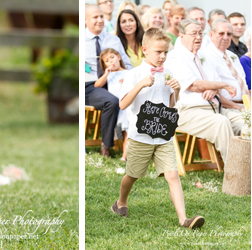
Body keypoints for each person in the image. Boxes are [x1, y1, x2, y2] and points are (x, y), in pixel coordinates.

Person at [112, 27, 204, 229]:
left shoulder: (168, 74)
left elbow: (169, 106)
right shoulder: (134, 75)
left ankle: (184, 220)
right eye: (158, 52)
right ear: (145, 49)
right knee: (133, 175)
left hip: (163, 135)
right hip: (140, 135)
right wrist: (140, 85)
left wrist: (176, 92)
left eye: (165, 52)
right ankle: (120, 203)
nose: (163, 56)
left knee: (172, 175)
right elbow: (123, 104)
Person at [166, 19, 242, 167]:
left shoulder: (203, 56)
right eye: (194, 33)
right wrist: (222, 85)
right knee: (222, 123)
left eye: (201, 33)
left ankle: (247, 169)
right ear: (181, 36)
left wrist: (214, 88)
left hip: (215, 109)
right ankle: (235, 175)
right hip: (188, 112)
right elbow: (194, 85)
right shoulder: (175, 58)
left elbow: (214, 83)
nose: (199, 37)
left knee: (246, 122)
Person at [85, 4, 132, 157]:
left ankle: (135, 143)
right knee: (111, 101)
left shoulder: (113, 40)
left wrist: (123, 75)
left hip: (115, 82)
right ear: (85, 20)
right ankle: (106, 146)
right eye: (95, 17)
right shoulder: (81, 40)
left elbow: (128, 64)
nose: (100, 20)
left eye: (101, 16)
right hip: (90, 85)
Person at [202, 18, 249, 107]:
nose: (225, 37)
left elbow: (244, 83)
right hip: (227, 106)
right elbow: (214, 93)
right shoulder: (205, 56)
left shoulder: (232, 56)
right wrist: (239, 108)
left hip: (246, 104)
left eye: (229, 34)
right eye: (221, 33)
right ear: (211, 34)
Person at [95, 48, 130, 161]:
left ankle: (124, 156)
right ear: (104, 65)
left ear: (118, 57)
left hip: (127, 107)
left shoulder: (128, 73)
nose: (111, 61)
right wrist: (106, 74)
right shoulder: (108, 75)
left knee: (127, 130)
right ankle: (124, 154)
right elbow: (97, 86)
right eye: (107, 60)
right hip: (115, 108)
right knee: (125, 129)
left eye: (112, 57)